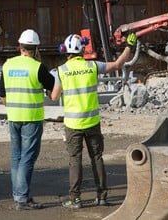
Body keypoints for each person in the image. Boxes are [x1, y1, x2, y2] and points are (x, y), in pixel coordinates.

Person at [51, 32, 137, 209]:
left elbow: (54, 97)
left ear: (65, 51)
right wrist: (129, 46)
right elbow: (118, 64)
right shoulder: (92, 66)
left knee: (75, 160)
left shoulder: (62, 71)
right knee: (97, 158)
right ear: (83, 50)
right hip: (92, 122)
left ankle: (75, 199)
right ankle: (102, 196)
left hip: (73, 124)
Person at [0, 29, 61, 210]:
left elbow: (2, 96)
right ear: (36, 48)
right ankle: (22, 198)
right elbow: (54, 94)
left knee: (16, 157)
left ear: (20, 46)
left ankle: (18, 196)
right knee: (28, 158)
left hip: (14, 117)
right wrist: (60, 78)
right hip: (31, 118)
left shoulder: (7, 65)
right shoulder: (37, 67)